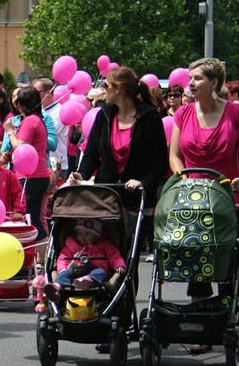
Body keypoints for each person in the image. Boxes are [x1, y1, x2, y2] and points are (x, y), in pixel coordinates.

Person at [169, 58, 239, 354]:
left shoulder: (237, 114)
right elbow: (175, 156)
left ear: (214, 83)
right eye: (190, 79)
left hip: (226, 196)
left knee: (223, 259)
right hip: (191, 198)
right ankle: (200, 327)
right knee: (194, 255)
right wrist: (182, 178)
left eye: (197, 79)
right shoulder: (182, 114)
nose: (190, 84)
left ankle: (225, 320)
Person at [69, 66, 169, 238]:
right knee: (105, 250)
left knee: (130, 254)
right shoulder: (104, 116)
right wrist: (81, 175)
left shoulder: (150, 118)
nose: (103, 90)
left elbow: (160, 160)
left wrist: (144, 182)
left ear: (119, 89)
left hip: (137, 197)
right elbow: (91, 154)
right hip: (107, 196)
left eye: (106, 86)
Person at [2, 87, 52, 262]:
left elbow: (21, 146)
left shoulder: (31, 121)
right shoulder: (35, 120)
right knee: (32, 215)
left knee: (32, 217)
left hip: (32, 175)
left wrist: (9, 131)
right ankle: (38, 258)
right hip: (34, 174)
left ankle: (41, 259)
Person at [46, 219, 126, 292]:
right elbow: (63, 258)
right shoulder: (71, 245)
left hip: (97, 268)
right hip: (75, 270)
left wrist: (119, 265)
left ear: (96, 235)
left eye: (87, 233)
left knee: (100, 272)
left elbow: (114, 256)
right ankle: (56, 287)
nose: (82, 236)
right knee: (64, 273)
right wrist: (62, 269)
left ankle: (87, 281)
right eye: (79, 233)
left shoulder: (105, 244)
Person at [35, 78, 69, 180]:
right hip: (42, 163)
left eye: (37, 92)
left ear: (49, 92)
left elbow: (45, 133)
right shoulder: (38, 111)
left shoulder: (60, 111)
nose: (34, 95)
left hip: (57, 166)